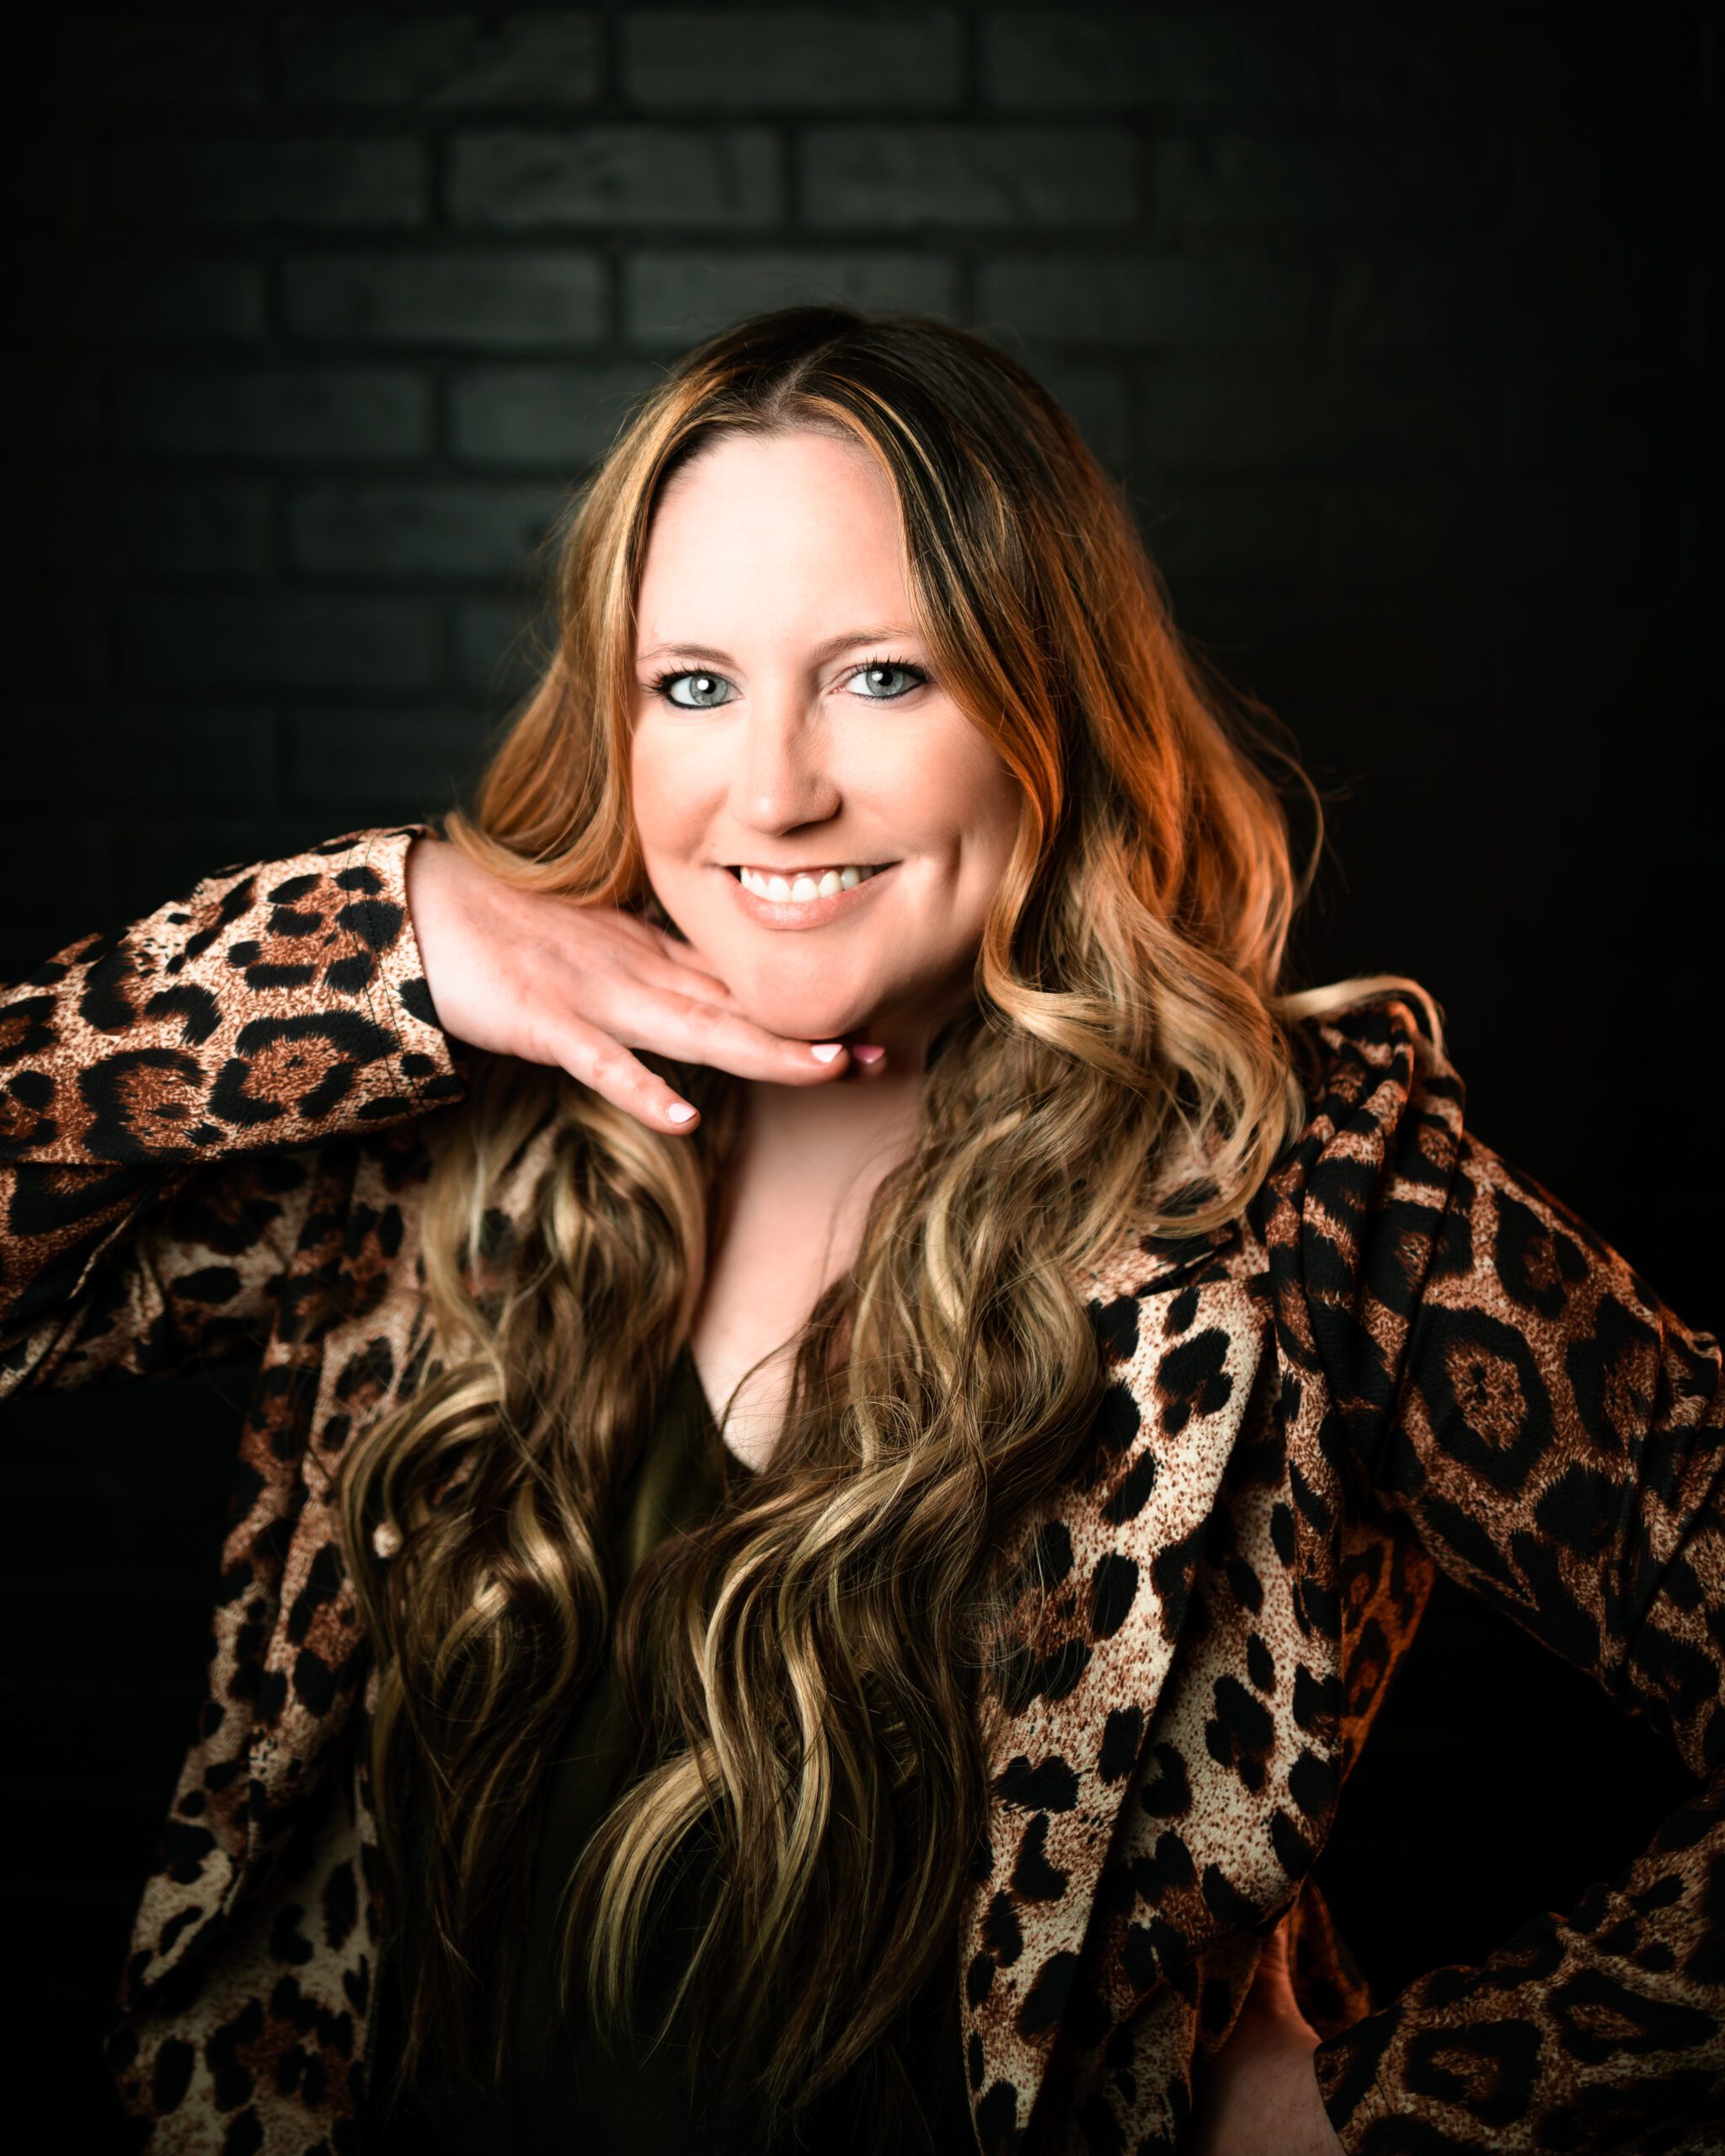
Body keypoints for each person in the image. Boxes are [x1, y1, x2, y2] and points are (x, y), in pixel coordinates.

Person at [3, 305, 1719, 2156]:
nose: (773, 789)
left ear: (1043, 702)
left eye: (882, 676)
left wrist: (1381, 2113)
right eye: (693, 685)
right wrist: (385, 937)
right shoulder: (445, 1143)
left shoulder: (1296, 1203)